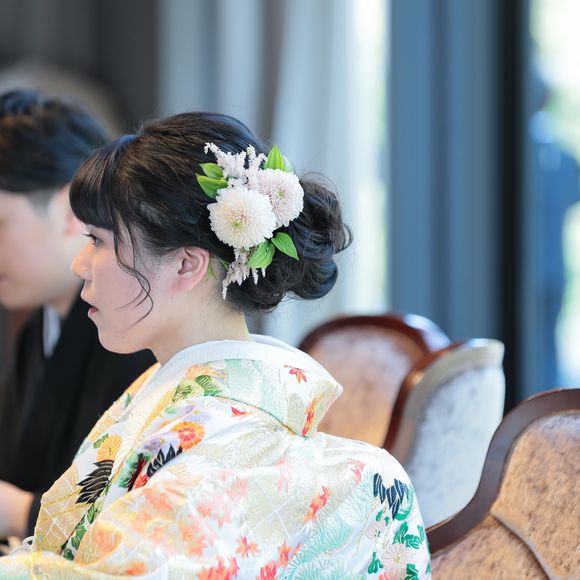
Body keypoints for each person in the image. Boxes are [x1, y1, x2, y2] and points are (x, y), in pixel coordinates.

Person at [0, 112, 431, 577]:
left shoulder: (226, 451)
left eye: (98, 241)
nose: (80, 265)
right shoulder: (173, 399)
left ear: (186, 265)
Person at [0, 89, 154, 542]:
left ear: (70, 208)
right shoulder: (37, 327)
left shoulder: (134, 340)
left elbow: (132, 516)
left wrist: (20, 511)